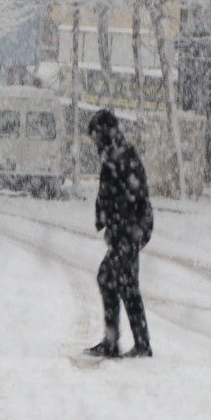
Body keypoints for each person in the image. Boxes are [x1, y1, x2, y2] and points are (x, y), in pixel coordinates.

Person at [85, 109, 153, 359]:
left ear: (104, 133)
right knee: (117, 281)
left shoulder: (122, 156)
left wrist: (120, 227)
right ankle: (121, 342)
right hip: (128, 230)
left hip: (132, 230)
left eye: (95, 136)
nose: (94, 142)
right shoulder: (114, 154)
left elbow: (133, 197)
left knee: (114, 280)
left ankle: (135, 345)